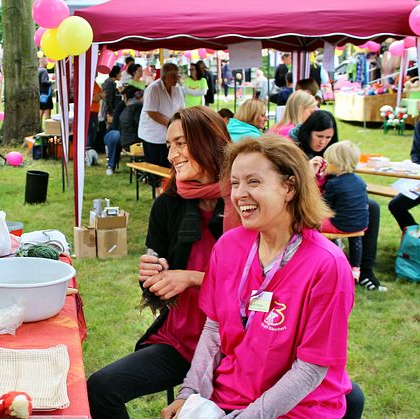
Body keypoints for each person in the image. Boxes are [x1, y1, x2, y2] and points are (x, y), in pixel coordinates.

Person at [164, 135, 355, 419]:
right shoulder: (228, 246)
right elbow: (214, 331)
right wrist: (190, 393)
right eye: (236, 182)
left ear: (289, 187)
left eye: (253, 182)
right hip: (227, 399)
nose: (239, 194)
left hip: (299, 410)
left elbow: (311, 368)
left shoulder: (326, 265)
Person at [88, 106, 237, 419]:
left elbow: (256, 287)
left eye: (181, 143)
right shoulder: (169, 203)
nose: (172, 155)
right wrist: (153, 276)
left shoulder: (243, 202)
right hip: (181, 343)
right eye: (170, 146)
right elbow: (158, 281)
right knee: (100, 388)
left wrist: (192, 277)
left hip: (236, 348)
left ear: (210, 140)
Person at [295, 110, 385, 293]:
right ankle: (322, 267)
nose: (323, 141)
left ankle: (366, 271)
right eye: (319, 136)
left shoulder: (333, 153)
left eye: (328, 137)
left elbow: (340, 185)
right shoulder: (298, 151)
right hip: (307, 199)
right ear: (308, 132)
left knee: (371, 207)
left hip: (329, 202)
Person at [321, 141, 370, 284]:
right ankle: (356, 268)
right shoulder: (360, 181)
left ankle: (330, 259)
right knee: (355, 237)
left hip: (340, 225)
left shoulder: (333, 184)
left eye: (329, 162)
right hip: (361, 223)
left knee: (313, 224)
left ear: (337, 163)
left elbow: (325, 207)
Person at [138, 63, 185, 168]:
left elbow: (181, 108)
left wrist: (178, 122)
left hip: (170, 133)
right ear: (164, 76)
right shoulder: (153, 88)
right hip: (153, 133)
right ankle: (153, 182)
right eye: (173, 76)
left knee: (168, 161)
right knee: (154, 164)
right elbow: (151, 112)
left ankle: (166, 183)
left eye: (177, 75)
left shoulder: (177, 88)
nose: (176, 78)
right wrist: (170, 124)